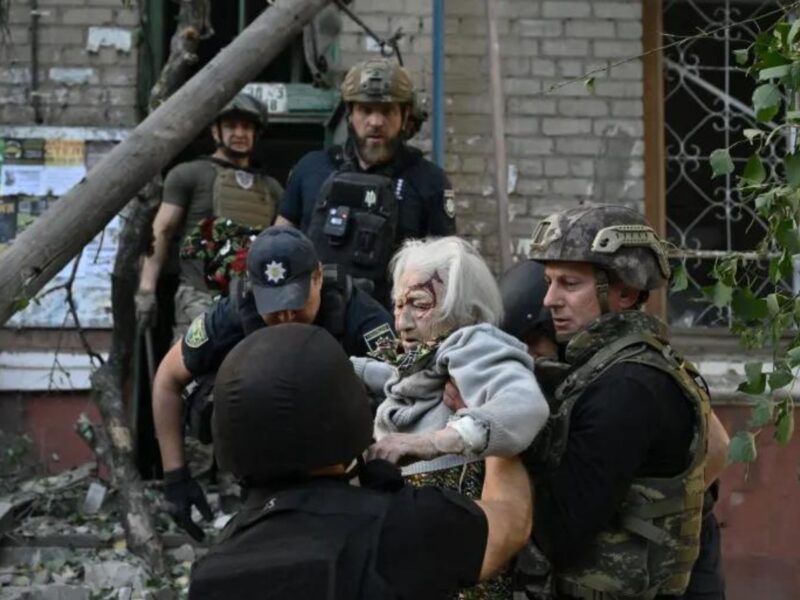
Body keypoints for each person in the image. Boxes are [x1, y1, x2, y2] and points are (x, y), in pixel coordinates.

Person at [188, 323, 533, 600]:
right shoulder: (402, 526)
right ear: (347, 416)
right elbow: (510, 524)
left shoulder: (214, 569)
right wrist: (487, 419)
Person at [509, 204, 714, 599]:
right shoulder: (611, 368)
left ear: (625, 291)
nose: (550, 299)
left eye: (569, 284)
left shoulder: (629, 386)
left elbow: (558, 532)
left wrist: (499, 434)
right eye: (549, 281)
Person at [152, 225, 394, 540]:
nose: (286, 316)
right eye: (275, 307)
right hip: (264, 467)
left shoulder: (359, 315)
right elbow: (167, 380)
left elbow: (408, 387)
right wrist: (176, 477)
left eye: (296, 302)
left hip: (341, 465)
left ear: (318, 277)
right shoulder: (234, 313)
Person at [275, 58, 456, 303]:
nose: (375, 122)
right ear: (350, 114)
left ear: (405, 116)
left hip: (391, 321)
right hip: (314, 316)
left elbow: (444, 267)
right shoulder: (312, 168)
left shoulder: (428, 180)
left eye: (387, 111)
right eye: (366, 110)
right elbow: (279, 242)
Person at [135, 92, 284, 338]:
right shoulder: (189, 174)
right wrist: (146, 289)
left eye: (247, 127)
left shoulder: (271, 188)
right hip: (199, 296)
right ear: (216, 132)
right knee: (193, 369)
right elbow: (161, 230)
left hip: (252, 301)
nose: (239, 133)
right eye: (231, 126)